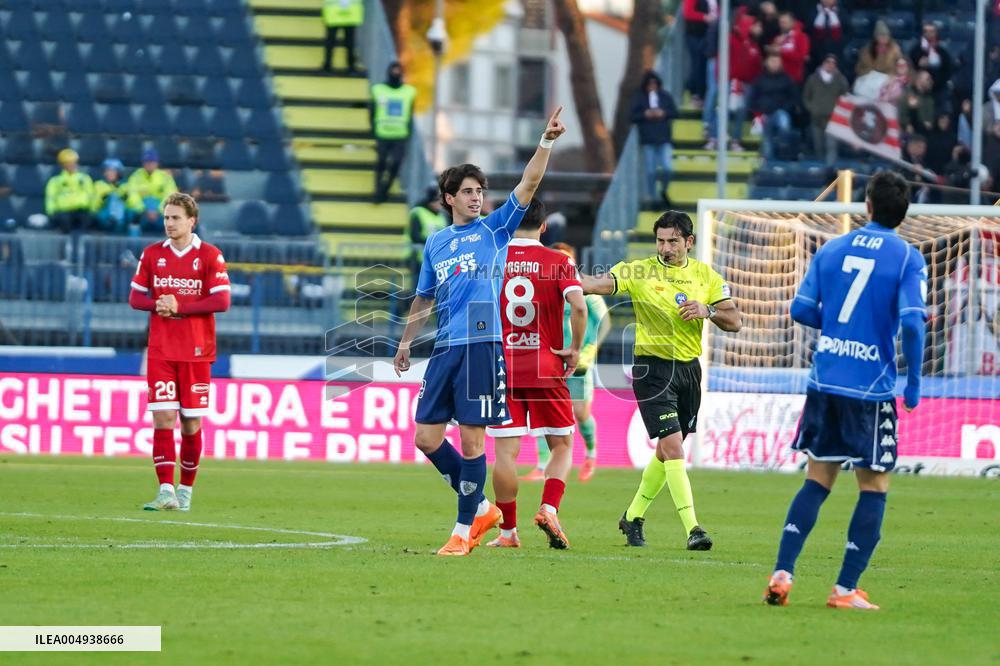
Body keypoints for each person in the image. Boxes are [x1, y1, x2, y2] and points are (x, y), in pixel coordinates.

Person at [392, 106, 567, 557]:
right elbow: (424, 296)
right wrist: (407, 341)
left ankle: (461, 530)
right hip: (445, 348)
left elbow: (528, 184)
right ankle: (483, 507)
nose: (477, 197)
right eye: (467, 191)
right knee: (426, 438)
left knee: (472, 440)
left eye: (480, 190)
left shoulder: (494, 229)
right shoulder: (437, 242)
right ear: (448, 198)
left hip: (483, 347)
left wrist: (545, 141)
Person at [763, 170, 926, 610]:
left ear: (866, 206)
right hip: (870, 389)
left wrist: (836, 326)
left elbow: (799, 308)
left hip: (825, 379)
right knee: (873, 486)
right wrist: (913, 382)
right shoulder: (908, 257)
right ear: (903, 212)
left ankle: (782, 572)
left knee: (817, 481)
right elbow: (912, 320)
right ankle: (844, 589)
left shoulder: (833, 248)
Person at [579, 211, 742, 550]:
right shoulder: (639, 270)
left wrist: (707, 311)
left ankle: (633, 516)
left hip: (688, 371)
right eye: (660, 241)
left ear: (689, 242)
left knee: (668, 452)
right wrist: (560, 276)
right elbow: (595, 284)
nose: (665, 248)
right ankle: (693, 528)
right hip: (652, 370)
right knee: (673, 447)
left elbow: (734, 320)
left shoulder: (706, 276)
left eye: (672, 241)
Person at [484, 201, 587, 549]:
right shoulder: (559, 261)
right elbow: (580, 305)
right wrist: (573, 349)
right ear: (544, 227)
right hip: (546, 365)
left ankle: (507, 533)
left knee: (505, 454)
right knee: (562, 445)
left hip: (501, 365)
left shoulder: (493, 258)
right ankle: (548, 508)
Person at [128, 192, 231, 512]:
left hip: (197, 351)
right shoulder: (151, 254)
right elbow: (135, 298)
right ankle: (165, 490)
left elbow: (222, 301)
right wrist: (157, 304)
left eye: (175, 218)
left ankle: (185, 491)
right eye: (166, 218)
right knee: (163, 418)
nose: (169, 224)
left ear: (192, 221)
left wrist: (180, 306)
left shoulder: (211, 255)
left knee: (190, 424)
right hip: (161, 349)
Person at [523, 242, 611, 483]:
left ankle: (591, 455)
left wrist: (590, 350)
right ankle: (542, 466)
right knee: (542, 410)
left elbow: (604, 323)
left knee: (581, 412)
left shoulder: (583, 287)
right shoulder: (543, 285)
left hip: (579, 358)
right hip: (551, 357)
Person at [630, 71, 679, 206]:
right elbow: (632, 116)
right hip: (648, 140)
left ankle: (663, 189)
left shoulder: (665, 97)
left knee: (668, 168)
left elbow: (674, 112)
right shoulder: (639, 98)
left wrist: (663, 113)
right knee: (650, 171)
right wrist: (645, 114)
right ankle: (653, 197)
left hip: (664, 139)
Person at [371, 62, 416, 204]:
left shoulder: (409, 92)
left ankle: (384, 189)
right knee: (381, 163)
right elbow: (372, 110)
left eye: (398, 70)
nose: (396, 73)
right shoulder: (378, 90)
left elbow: (410, 113)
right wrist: (373, 128)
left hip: (400, 134)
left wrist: (408, 131)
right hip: (382, 132)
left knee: (396, 163)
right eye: (394, 70)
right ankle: (378, 191)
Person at [749, 54, 799, 160]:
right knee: (766, 138)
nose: (774, 64)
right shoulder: (759, 79)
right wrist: (758, 111)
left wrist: (785, 107)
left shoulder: (786, 79)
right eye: (772, 61)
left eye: (777, 61)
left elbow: (793, 97)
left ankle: (782, 146)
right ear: (766, 63)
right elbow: (753, 98)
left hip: (780, 111)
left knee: (784, 123)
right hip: (764, 113)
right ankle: (768, 160)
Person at [802, 54, 848, 165]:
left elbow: (846, 98)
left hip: (833, 119)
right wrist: (812, 108)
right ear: (823, 63)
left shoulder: (841, 80)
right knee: (819, 147)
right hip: (816, 118)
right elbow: (806, 97)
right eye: (828, 62)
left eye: (833, 63)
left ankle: (830, 172)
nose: (830, 65)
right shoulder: (813, 79)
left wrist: (839, 111)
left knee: (831, 147)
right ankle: (820, 173)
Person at [127, 149, 178, 234]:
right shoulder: (135, 176)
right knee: (130, 214)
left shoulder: (165, 177)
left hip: (161, 212)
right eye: (147, 161)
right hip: (142, 211)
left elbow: (171, 195)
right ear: (143, 163)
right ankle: (133, 244)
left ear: (157, 163)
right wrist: (144, 210)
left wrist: (158, 210)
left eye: (152, 161)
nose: (149, 164)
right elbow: (132, 195)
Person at [45, 148, 94, 235]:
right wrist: (51, 213)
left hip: (82, 210)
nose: (71, 165)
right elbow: (50, 198)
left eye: (73, 162)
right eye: (68, 163)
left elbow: (91, 196)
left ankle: (82, 244)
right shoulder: (55, 181)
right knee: (64, 220)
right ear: (62, 165)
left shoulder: (85, 179)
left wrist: (92, 210)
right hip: (63, 212)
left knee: (86, 220)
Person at [682, 0, 718, 108]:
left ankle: (704, 95)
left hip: (709, 35)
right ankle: (696, 94)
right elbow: (688, 13)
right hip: (696, 34)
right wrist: (704, 17)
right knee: (697, 64)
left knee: (705, 65)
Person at [909, 22, 951, 97]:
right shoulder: (915, 51)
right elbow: (910, 69)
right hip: (918, 91)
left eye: (931, 31)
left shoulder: (943, 53)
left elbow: (947, 73)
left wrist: (931, 81)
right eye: (926, 31)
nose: (928, 34)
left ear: (936, 34)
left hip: (938, 90)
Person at [321, 0, 363, 74]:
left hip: (334, 13)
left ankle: (327, 66)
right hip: (349, 13)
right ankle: (350, 66)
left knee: (331, 42)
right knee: (349, 42)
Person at [92, 158, 130, 234]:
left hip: (121, 216)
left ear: (118, 172)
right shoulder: (98, 185)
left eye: (112, 171)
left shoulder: (125, 186)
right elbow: (93, 206)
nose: (109, 173)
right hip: (104, 215)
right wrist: (103, 199)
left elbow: (135, 204)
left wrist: (125, 198)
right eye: (107, 171)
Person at [771, 12, 810, 85]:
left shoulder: (801, 37)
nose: (782, 25)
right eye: (781, 22)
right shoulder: (777, 38)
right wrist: (775, 45)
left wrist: (782, 51)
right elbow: (772, 56)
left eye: (785, 22)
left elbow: (801, 56)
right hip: (779, 77)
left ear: (792, 23)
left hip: (795, 78)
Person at [807, 0, 845, 66]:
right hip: (816, 54)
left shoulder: (842, 12)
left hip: (837, 52)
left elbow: (846, 31)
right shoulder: (812, 12)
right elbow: (808, 32)